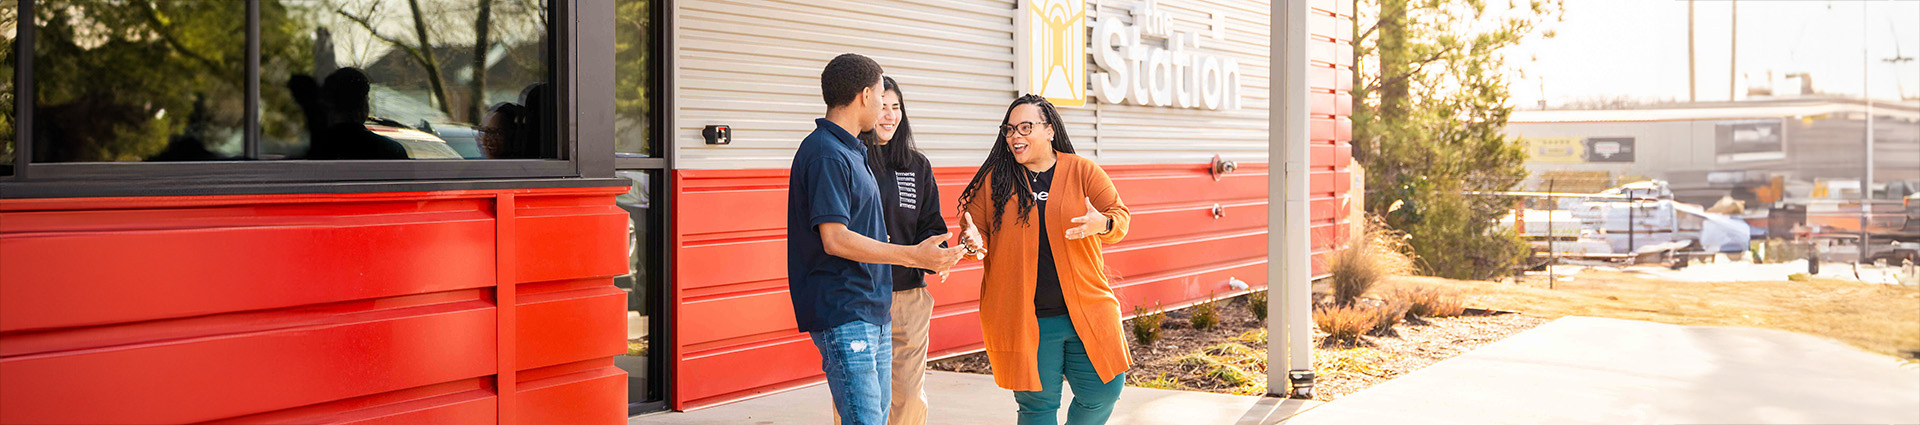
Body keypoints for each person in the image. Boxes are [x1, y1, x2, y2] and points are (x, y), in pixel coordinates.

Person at [787, 53, 965, 425]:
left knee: (884, 414)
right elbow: (834, 239)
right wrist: (913, 256)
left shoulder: (852, 151)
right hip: (846, 310)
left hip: (873, 307)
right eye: (882, 96)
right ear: (866, 95)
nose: (886, 108)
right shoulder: (826, 154)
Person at [956, 94, 1132, 425]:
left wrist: (1102, 223)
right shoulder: (995, 181)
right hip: (1026, 320)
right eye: (1009, 129)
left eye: (1025, 127)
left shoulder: (1082, 171)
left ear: (1049, 130)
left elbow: (1119, 218)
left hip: (1088, 312)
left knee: (1104, 391)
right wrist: (971, 242)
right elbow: (972, 237)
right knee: (1037, 410)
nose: (1015, 136)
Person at [855, 76, 946, 425]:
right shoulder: (851, 159)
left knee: (908, 395)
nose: (889, 115)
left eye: (896, 107)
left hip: (908, 297)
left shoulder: (916, 165)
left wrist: (947, 251)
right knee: (861, 399)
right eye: (882, 106)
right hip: (859, 296)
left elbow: (931, 226)